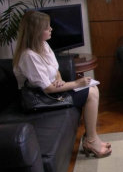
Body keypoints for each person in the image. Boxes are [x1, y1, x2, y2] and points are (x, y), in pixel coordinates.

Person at [13, 11, 111, 158]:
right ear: (37, 31)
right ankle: (91, 140)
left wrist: (59, 78)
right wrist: (76, 83)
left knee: (92, 89)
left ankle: (92, 137)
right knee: (91, 92)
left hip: (52, 90)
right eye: (47, 28)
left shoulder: (43, 45)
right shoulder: (29, 56)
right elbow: (47, 88)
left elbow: (55, 68)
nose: (51, 29)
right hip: (41, 97)